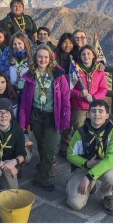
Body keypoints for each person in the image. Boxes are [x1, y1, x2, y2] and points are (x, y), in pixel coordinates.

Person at [19, 45, 70, 191]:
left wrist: (65, 118)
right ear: (35, 58)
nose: (42, 59)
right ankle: (44, 166)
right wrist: (23, 122)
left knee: (50, 147)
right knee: (41, 144)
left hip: (52, 116)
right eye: (40, 57)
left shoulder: (58, 76)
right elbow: (24, 101)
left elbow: (66, 98)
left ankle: (41, 178)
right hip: (36, 115)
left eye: (46, 57)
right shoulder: (29, 76)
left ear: (50, 59)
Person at [66, 99, 113, 215]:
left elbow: (112, 159)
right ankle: (89, 185)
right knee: (74, 204)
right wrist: (86, 164)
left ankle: (106, 195)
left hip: (104, 166)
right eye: (93, 111)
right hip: (84, 167)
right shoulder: (80, 132)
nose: (97, 114)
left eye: (101, 111)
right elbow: (70, 155)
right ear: (88, 114)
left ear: (107, 115)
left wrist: (88, 177)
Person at [0, 71, 33, 172]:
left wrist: (23, 135)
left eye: (3, 82)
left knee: (27, 156)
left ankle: (14, 166)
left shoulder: (15, 96)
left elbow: (20, 117)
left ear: (7, 83)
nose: (0, 86)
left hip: (13, 135)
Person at [69, 44, 108, 155]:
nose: (86, 56)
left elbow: (103, 88)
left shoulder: (99, 70)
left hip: (94, 106)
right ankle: (77, 153)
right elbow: (69, 88)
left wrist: (95, 97)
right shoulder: (75, 69)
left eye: (88, 54)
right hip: (79, 107)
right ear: (80, 56)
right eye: (83, 54)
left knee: (94, 131)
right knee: (78, 131)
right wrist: (79, 94)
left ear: (93, 55)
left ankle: (92, 152)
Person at [55, 32, 79, 158]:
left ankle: (74, 147)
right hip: (60, 91)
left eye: (70, 42)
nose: (67, 45)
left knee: (74, 120)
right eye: (65, 42)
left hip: (74, 91)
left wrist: (102, 62)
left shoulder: (77, 55)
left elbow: (92, 58)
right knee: (64, 116)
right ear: (60, 43)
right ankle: (64, 146)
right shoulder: (55, 55)